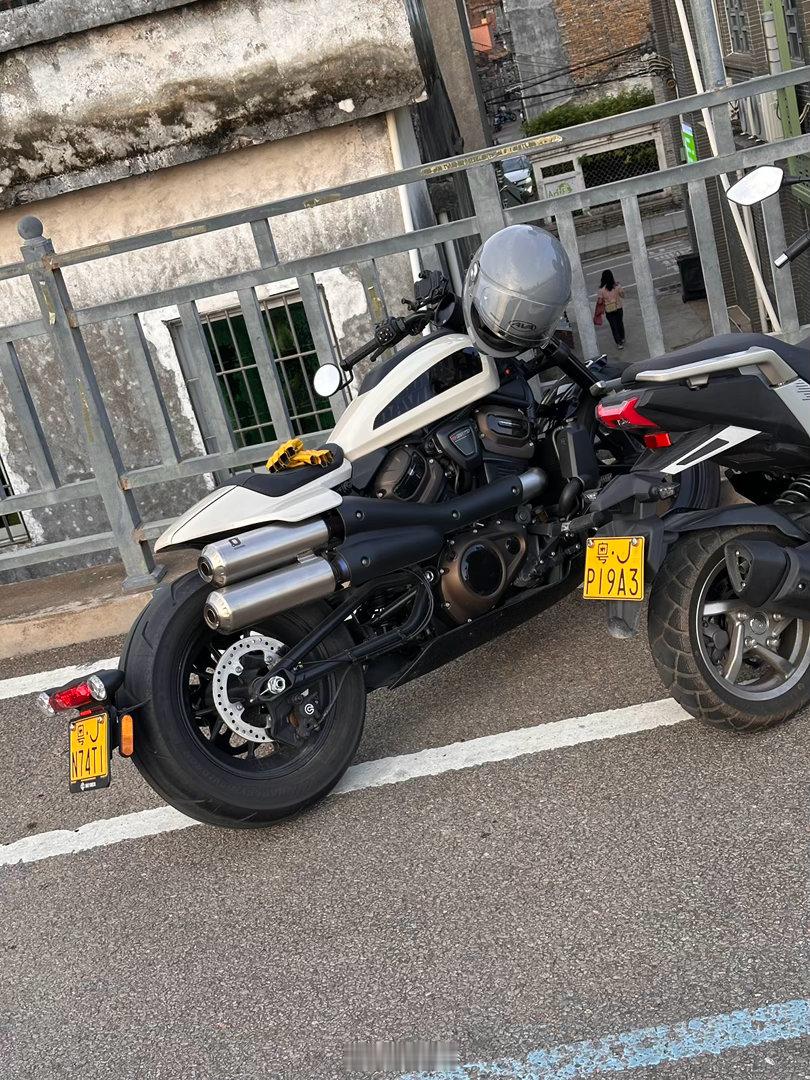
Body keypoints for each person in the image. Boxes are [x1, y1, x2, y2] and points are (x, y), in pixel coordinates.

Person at [597, 269, 626, 349]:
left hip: (609, 310)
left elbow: (600, 301)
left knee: (613, 326)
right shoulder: (617, 286)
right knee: (620, 324)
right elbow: (623, 295)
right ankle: (622, 338)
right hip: (618, 308)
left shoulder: (601, 289)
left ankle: (619, 343)